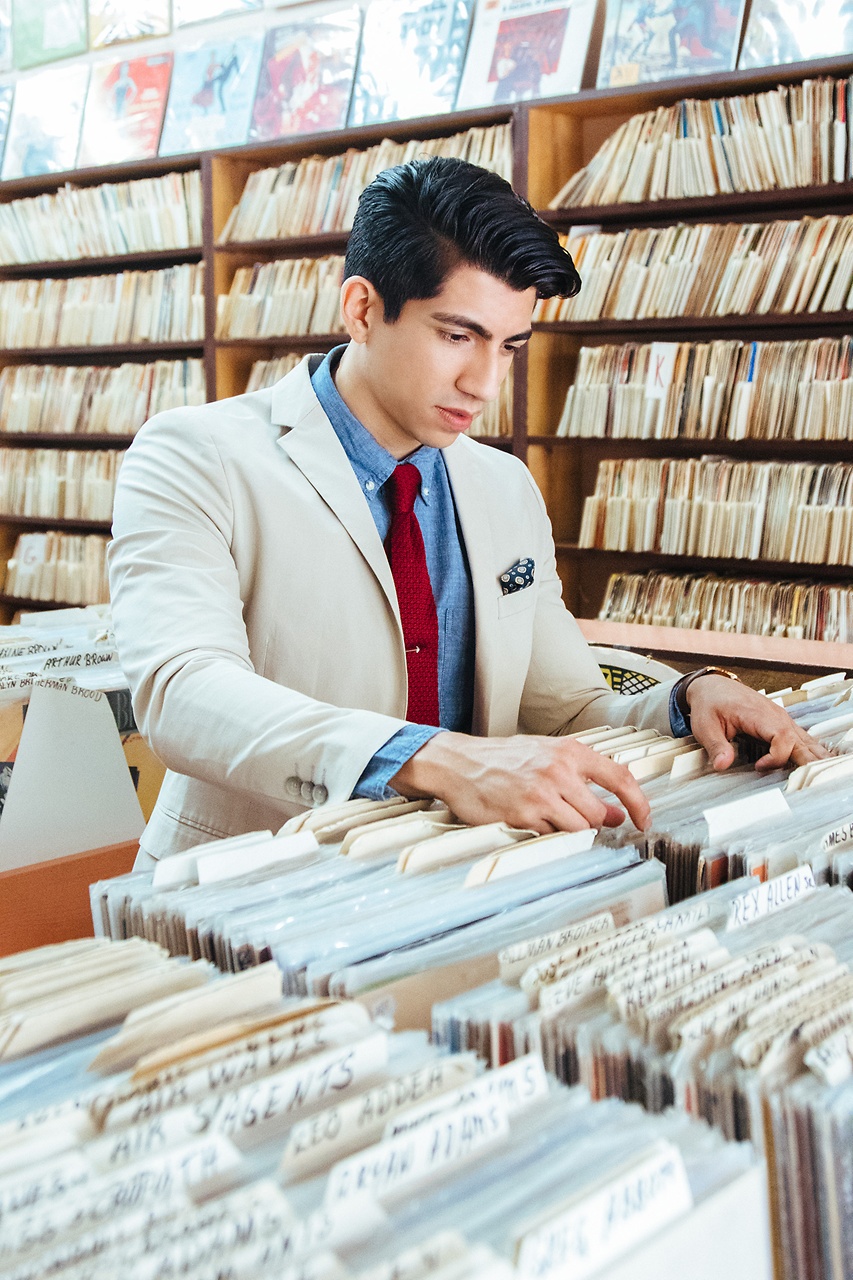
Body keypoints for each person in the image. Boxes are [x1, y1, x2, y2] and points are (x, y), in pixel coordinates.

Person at [108, 157, 826, 863]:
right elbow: (182, 691)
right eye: (458, 335)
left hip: (459, 876)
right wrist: (435, 758)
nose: (484, 383)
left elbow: (563, 699)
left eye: (509, 346)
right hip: (246, 885)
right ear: (361, 308)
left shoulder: (502, 484)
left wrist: (685, 696)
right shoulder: (194, 454)